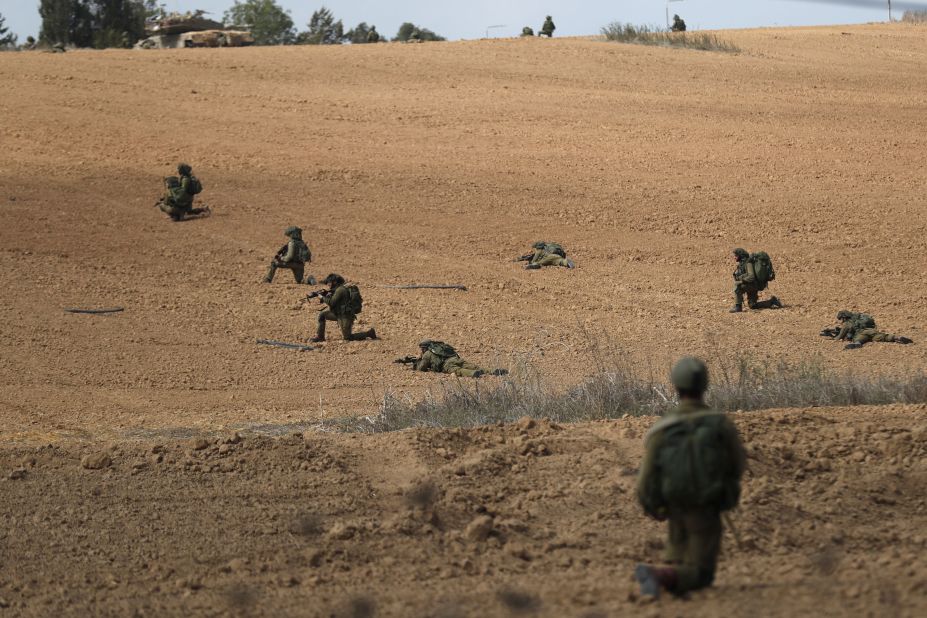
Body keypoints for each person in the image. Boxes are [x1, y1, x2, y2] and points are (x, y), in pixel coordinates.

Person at [635, 357, 746, 598]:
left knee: (677, 556)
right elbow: (737, 465)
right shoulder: (719, 425)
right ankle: (659, 576)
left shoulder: (663, 428)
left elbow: (647, 475)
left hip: (673, 504)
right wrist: (726, 494)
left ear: (675, 385)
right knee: (701, 574)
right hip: (705, 506)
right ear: (705, 385)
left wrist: (652, 505)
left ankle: (667, 581)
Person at [310, 274, 377, 342]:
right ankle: (320, 337)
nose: (328, 284)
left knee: (348, 337)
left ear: (334, 282)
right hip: (339, 314)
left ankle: (369, 333)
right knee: (322, 315)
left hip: (346, 316)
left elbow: (332, 302)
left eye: (329, 282)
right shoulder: (339, 289)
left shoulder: (340, 290)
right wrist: (326, 294)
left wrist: (321, 297)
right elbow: (335, 298)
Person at [398, 340, 507, 378]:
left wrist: (416, 363)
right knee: (474, 365)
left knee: (459, 371)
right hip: (455, 358)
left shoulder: (427, 353)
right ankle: (493, 371)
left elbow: (422, 368)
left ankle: (473, 373)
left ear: (423, 348)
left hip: (447, 365)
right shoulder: (438, 347)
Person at [826, 311, 912, 350]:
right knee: (883, 337)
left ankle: (856, 344)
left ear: (844, 317)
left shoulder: (848, 323)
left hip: (861, 333)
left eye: (842, 319)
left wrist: (834, 338)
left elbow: (840, 336)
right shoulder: (858, 318)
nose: (842, 320)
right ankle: (896, 337)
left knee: (858, 340)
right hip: (870, 330)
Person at [730, 248, 780, 313]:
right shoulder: (742, 263)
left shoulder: (748, 263)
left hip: (753, 285)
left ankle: (738, 307)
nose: (734, 257)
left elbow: (751, 276)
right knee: (753, 305)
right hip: (752, 285)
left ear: (740, 255)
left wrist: (741, 280)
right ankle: (772, 301)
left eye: (736, 256)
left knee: (737, 285)